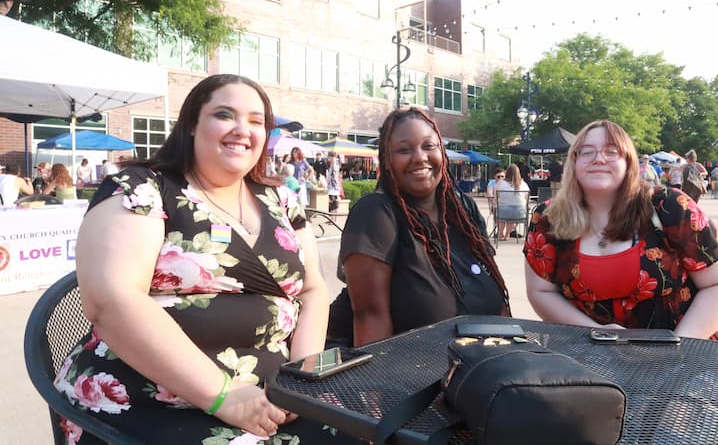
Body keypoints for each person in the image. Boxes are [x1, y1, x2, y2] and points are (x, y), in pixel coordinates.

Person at [53, 74, 360, 444]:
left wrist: (304, 376)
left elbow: (311, 290)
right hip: (156, 397)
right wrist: (225, 396)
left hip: (275, 394)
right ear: (192, 125)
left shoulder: (282, 200)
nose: (241, 129)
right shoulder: (144, 190)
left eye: (256, 120)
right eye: (224, 114)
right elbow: (112, 300)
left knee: (366, 428)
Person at [524, 119, 718, 341]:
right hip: (589, 356)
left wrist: (676, 345)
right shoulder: (548, 219)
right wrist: (598, 335)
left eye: (611, 151)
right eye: (587, 152)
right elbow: (541, 292)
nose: (599, 159)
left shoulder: (670, 207)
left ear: (629, 163)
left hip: (690, 354)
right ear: (574, 162)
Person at [327, 107, 509, 347]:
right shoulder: (377, 214)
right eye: (404, 150)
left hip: (477, 371)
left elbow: (498, 300)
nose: (419, 157)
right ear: (387, 160)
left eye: (428, 146)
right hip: (406, 376)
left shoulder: (463, 209)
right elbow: (370, 319)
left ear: (441, 152)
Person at [494, 164, 530, 241]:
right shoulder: (523, 184)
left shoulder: (500, 183)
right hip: (519, 213)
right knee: (512, 213)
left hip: (503, 212)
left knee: (502, 212)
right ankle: (507, 235)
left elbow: (496, 197)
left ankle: (500, 234)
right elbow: (527, 199)